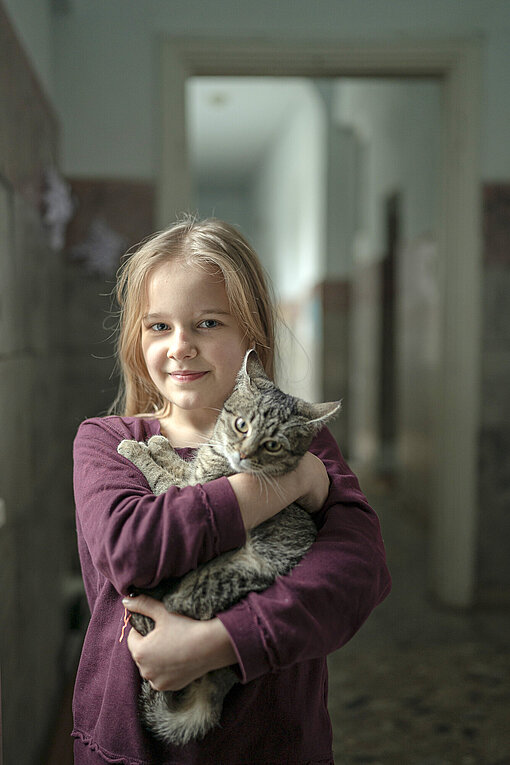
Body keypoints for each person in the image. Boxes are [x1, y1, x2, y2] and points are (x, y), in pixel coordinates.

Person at [72, 216, 391, 765]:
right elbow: (132, 549)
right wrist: (292, 481)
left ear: (252, 337)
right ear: (136, 337)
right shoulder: (107, 441)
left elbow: (357, 574)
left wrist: (220, 643)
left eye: (208, 323)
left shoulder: (305, 438)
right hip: (133, 747)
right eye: (158, 327)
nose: (181, 347)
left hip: (276, 744)